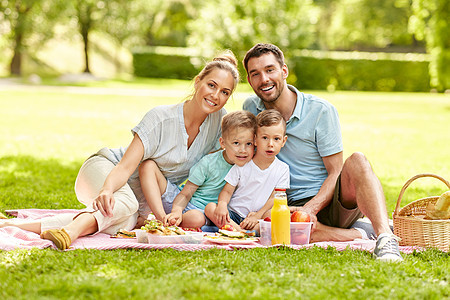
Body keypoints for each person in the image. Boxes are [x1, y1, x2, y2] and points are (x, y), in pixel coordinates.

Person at [0, 51, 240, 250]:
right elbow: (125, 167)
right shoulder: (160, 118)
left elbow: (236, 148)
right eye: (211, 85)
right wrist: (107, 189)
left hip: (136, 198)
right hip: (105, 170)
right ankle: (70, 233)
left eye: (225, 92)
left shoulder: (219, 125)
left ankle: (15, 227)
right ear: (198, 81)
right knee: (125, 207)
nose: (216, 96)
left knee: (124, 219)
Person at [242, 43, 403, 261]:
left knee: (358, 160)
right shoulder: (251, 108)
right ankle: (360, 233)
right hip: (283, 205)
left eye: (270, 70)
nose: (264, 79)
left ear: (284, 71)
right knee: (271, 224)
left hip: (329, 201)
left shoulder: (321, 110)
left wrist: (310, 209)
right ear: (250, 80)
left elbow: (335, 171)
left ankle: (385, 238)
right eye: (255, 74)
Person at [141, 110, 256, 229]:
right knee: (148, 166)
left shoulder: (252, 166)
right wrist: (177, 211)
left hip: (207, 214)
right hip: (183, 202)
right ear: (223, 143)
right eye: (236, 143)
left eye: (249, 144)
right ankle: (163, 219)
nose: (243, 150)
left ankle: (172, 223)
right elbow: (185, 194)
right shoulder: (209, 163)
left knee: (196, 219)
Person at [205, 109, 290, 233]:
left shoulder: (282, 169)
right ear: (255, 140)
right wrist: (222, 206)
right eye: (265, 138)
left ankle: (237, 231)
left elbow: (274, 198)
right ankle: (240, 231)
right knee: (210, 207)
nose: (270, 144)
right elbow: (227, 192)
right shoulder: (243, 164)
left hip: (257, 217)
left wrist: (257, 216)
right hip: (233, 215)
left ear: (283, 141)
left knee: (273, 216)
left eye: (276, 139)